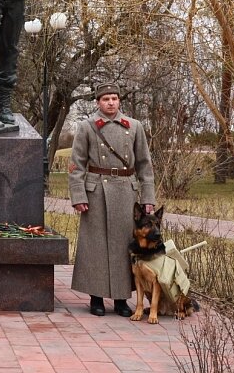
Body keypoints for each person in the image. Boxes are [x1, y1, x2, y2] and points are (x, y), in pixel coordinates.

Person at [68, 82, 156, 316]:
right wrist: (78, 195)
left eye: (114, 99)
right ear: (98, 102)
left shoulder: (134, 127)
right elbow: (76, 165)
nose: (110, 103)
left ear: (119, 101)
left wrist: (148, 197)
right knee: (95, 246)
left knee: (122, 247)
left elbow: (144, 166)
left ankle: (120, 299)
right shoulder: (87, 127)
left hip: (126, 192)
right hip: (96, 192)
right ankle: (95, 298)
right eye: (106, 99)